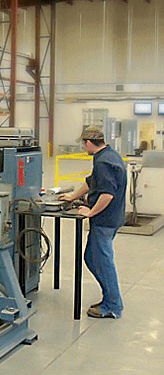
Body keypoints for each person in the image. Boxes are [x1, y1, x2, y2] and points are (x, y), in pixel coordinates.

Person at [59, 126, 127, 319]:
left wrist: (91, 212)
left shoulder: (103, 162)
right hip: (111, 218)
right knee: (91, 257)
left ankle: (113, 305)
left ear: (88, 143)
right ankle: (109, 299)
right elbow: (92, 182)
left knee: (102, 262)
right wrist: (72, 197)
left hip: (105, 220)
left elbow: (107, 195)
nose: (83, 147)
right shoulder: (108, 155)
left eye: (83, 144)